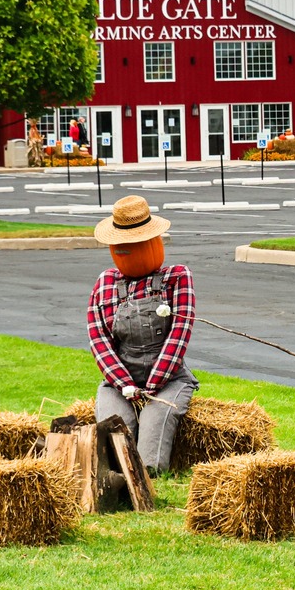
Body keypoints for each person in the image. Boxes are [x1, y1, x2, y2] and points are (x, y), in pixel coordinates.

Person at [87, 195, 197, 474]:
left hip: (169, 380)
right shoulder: (106, 283)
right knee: (115, 429)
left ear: (153, 242)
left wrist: (153, 385)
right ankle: (115, 482)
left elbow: (178, 337)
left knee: (155, 423)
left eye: (135, 244)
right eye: (120, 245)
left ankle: (147, 480)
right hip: (119, 382)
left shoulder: (177, 278)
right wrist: (125, 385)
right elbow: (99, 341)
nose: (125, 251)